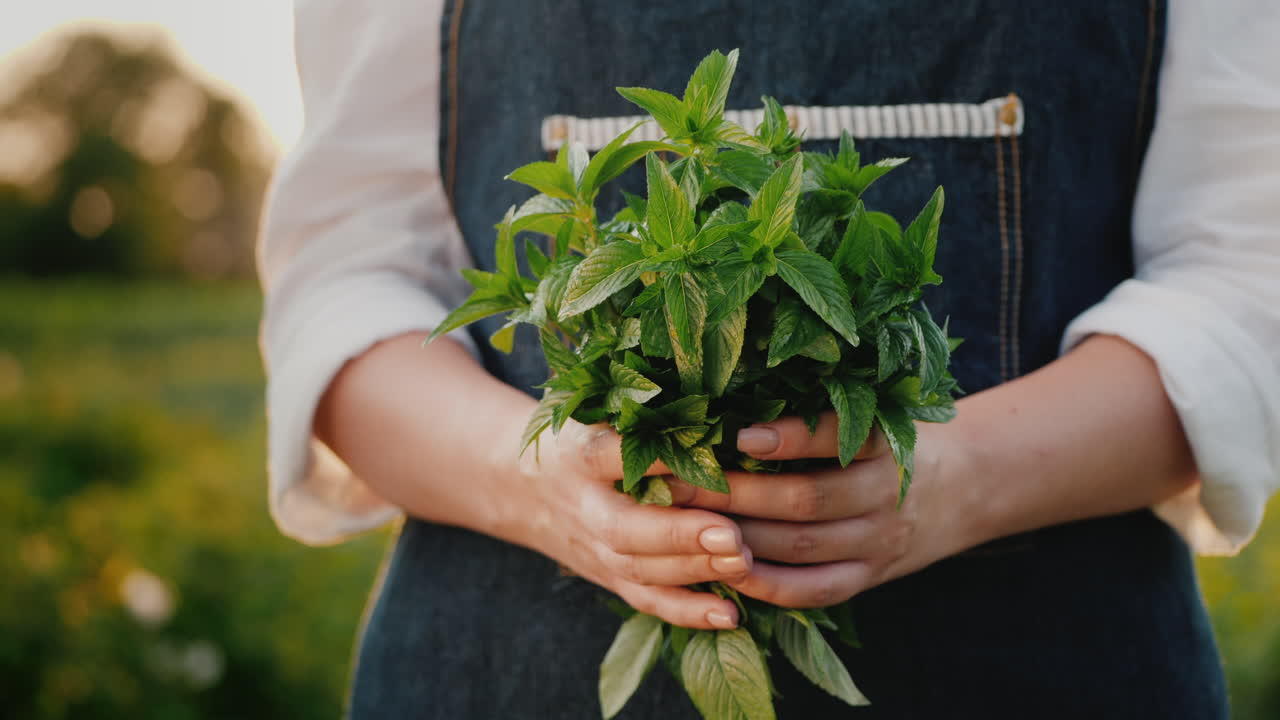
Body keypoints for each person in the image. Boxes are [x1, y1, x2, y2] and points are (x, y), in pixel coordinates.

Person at [258, 0, 1280, 717]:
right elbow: (346, 275)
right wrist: (531, 475)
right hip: (501, 668)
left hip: (1049, 663)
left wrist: (956, 473)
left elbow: (1247, 279)